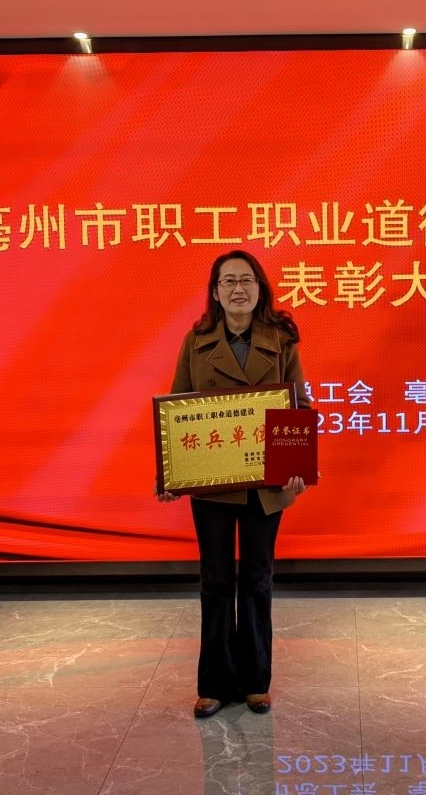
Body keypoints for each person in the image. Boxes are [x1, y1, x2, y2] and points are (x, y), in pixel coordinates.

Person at [158, 249, 311, 719]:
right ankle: (215, 683)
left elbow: (299, 407)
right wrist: (171, 473)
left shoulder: (282, 340)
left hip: (266, 482)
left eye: (247, 280)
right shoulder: (196, 341)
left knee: (258, 579)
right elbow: (177, 409)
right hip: (212, 482)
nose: (238, 289)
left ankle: (255, 682)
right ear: (216, 291)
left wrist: (296, 462)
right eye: (228, 281)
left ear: (260, 288)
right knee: (217, 580)